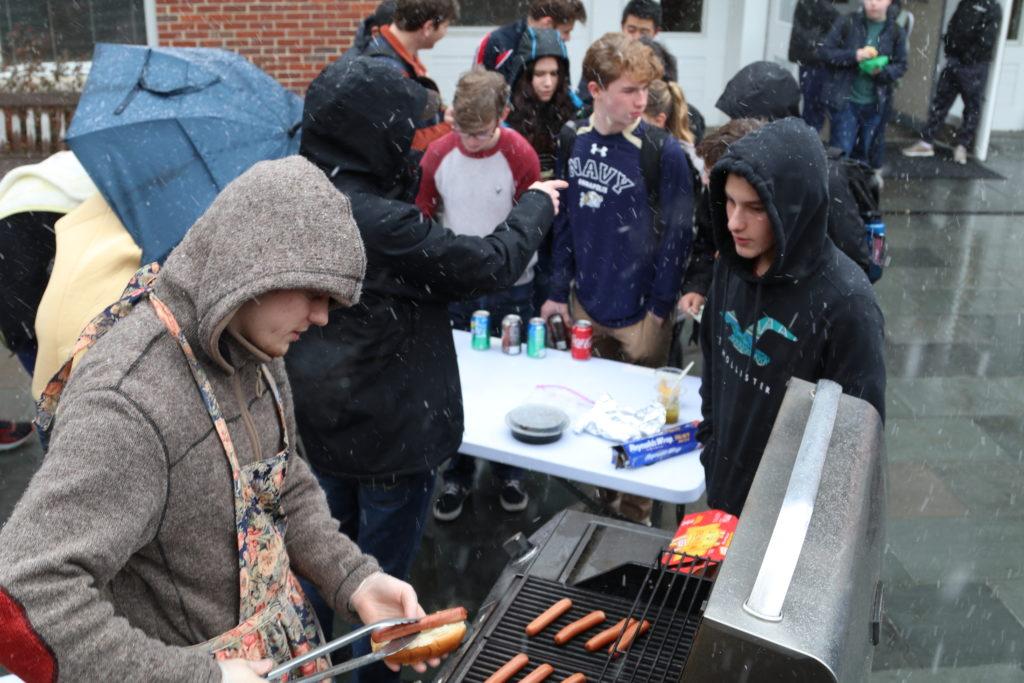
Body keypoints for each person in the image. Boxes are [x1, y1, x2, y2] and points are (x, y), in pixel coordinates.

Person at [0, 156, 440, 682]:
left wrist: (355, 581)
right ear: (254, 270)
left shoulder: (255, 346)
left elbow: (281, 485)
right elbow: (25, 595)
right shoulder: (128, 403)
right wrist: (193, 677)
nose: (323, 317)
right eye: (315, 294)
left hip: (285, 655)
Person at [289, 57, 564, 682]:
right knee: (383, 595)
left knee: (322, 569)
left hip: (324, 425)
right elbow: (487, 263)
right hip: (393, 436)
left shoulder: (301, 192)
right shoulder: (378, 223)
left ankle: (308, 669)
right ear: (372, 134)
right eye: (403, 133)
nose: (413, 143)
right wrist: (536, 207)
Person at [697, 117, 886, 516]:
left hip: (789, 519)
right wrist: (711, 447)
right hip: (723, 494)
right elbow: (712, 361)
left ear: (794, 209)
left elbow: (855, 440)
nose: (733, 222)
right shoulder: (730, 263)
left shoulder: (848, 304)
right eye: (729, 202)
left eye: (753, 208)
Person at [541, 33, 693, 524]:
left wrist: (659, 309)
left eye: (646, 90)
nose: (641, 100)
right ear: (595, 89)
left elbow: (678, 237)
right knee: (593, 416)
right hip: (586, 305)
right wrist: (555, 292)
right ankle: (600, 506)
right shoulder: (571, 139)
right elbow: (562, 222)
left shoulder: (662, 153)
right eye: (629, 90)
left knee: (642, 425)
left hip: (642, 312)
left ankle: (635, 519)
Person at [415, 68, 542, 521]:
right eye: (462, 131)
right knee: (458, 383)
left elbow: (534, 219)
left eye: (481, 132)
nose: (469, 142)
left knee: (510, 381)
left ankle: (511, 471)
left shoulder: (519, 154)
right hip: (457, 289)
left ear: (503, 115)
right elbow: (422, 217)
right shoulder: (438, 154)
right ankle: (458, 472)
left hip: (512, 287)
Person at [0, 151, 96, 450]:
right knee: (50, 378)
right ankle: (62, 447)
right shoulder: (120, 187)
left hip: (13, 211)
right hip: (13, 250)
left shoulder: (97, 159)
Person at [901, 0, 1003, 165]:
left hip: (974, 66)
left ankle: (962, 146)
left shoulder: (992, 7)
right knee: (940, 101)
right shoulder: (966, 2)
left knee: (971, 107)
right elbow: (953, 25)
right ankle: (926, 142)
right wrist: (950, 48)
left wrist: (968, 56)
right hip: (954, 61)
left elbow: (987, 39)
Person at [359, 0, 460, 151]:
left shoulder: (396, 54)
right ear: (428, 27)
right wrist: (450, 128)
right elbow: (403, 143)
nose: (445, 33)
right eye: (445, 26)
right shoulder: (388, 71)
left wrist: (442, 115)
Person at [820, 0, 907, 172]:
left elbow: (901, 65)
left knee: (864, 156)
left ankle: (859, 192)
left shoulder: (896, 31)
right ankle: (838, 192)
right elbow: (825, 52)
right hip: (845, 101)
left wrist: (881, 71)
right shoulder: (847, 22)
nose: (873, 3)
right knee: (840, 154)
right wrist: (854, 55)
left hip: (875, 104)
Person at [505, 28, 580, 178]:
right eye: (540, 74)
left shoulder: (574, 107)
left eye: (554, 73)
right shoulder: (506, 112)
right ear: (525, 76)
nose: (548, 83)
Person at [474, 0, 587, 87]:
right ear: (547, 23)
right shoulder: (497, 42)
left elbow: (564, 94)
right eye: (566, 31)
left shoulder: (558, 48)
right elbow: (475, 90)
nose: (568, 38)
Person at [788, 0, 840, 131]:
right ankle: (807, 142)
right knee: (814, 108)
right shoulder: (813, 7)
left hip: (819, 57)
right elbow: (822, 13)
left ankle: (807, 139)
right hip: (814, 58)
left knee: (816, 108)